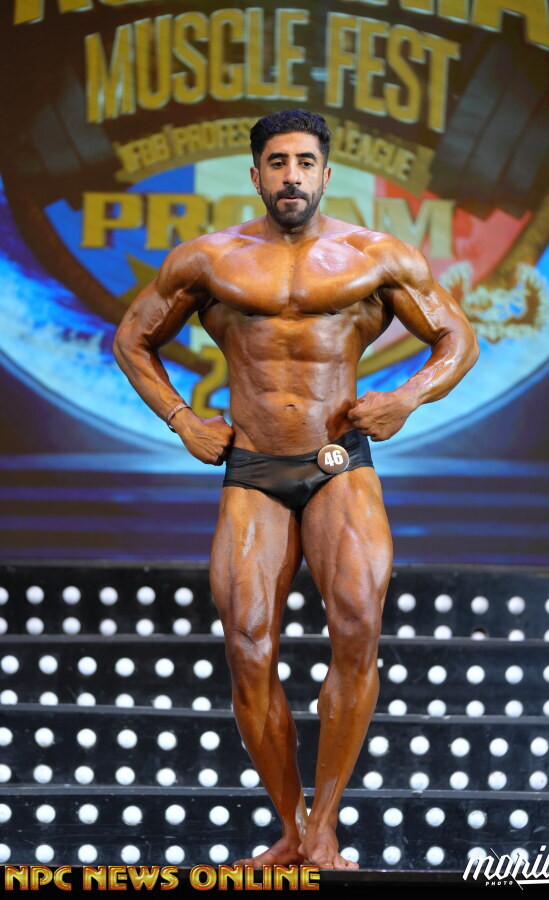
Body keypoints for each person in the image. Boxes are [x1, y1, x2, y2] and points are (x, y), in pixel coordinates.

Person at [113, 108, 479, 870]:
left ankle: (325, 828)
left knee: (359, 627)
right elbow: (132, 339)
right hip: (253, 470)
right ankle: (290, 827)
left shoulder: (374, 256)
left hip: (339, 462)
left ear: (326, 173)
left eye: (305, 163)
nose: (291, 177)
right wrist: (182, 420)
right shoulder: (210, 259)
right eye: (277, 163)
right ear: (255, 175)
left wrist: (406, 398)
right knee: (247, 646)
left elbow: (459, 338)